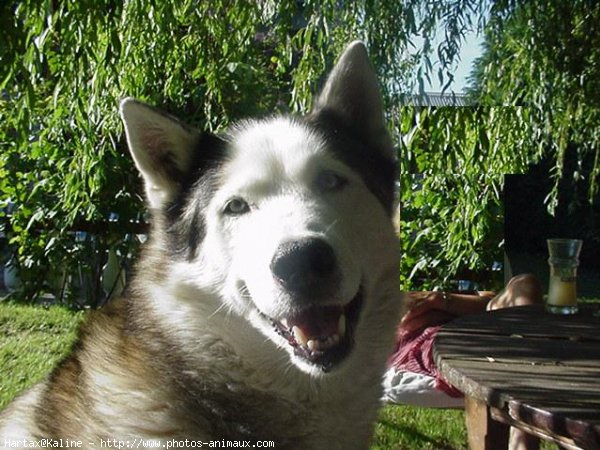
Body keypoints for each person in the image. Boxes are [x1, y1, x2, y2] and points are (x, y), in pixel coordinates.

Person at [384, 274, 543, 450]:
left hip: (482, 327)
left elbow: (489, 301)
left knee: (526, 283)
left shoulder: (463, 259)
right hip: (437, 344)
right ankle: (524, 435)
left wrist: (440, 301)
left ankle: (523, 427)